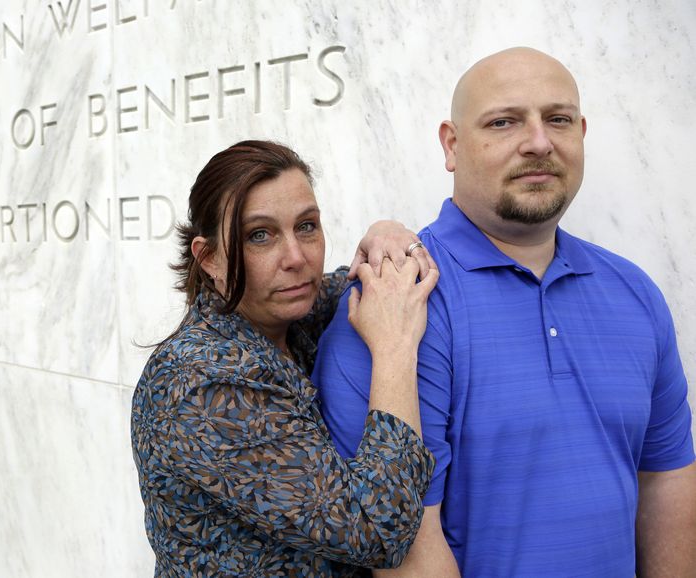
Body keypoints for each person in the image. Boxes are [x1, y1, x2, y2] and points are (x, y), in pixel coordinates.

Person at [313, 47, 696, 577]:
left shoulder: (636, 293)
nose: (538, 142)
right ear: (451, 145)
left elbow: (667, 477)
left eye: (557, 119)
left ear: (581, 132)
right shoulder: (395, 301)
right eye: (504, 122)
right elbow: (403, 544)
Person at [130, 140, 440, 577]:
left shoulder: (286, 318)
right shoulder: (203, 382)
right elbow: (377, 532)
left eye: (307, 226)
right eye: (260, 235)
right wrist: (394, 347)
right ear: (209, 258)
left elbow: (353, 285)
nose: (296, 258)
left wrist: (385, 231)